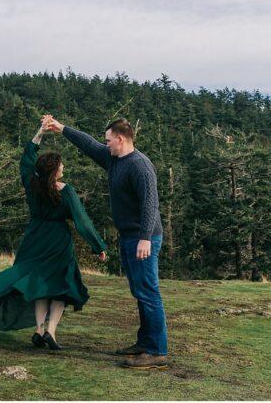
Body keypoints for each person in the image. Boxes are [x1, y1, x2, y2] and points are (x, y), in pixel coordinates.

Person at [44, 115, 168, 369]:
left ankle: (157, 350)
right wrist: (62, 128)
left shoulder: (140, 166)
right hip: (129, 236)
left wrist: (145, 238)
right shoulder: (114, 160)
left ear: (120, 139)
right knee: (139, 291)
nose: (106, 144)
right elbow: (89, 145)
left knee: (148, 292)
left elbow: (150, 205)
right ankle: (145, 343)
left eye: (109, 140)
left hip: (143, 237)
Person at [0, 121, 107, 350]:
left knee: (39, 284)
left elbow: (26, 158)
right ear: (55, 171)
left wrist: (40, 132)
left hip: (35, 238)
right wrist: (98, 246)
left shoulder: (32, 184)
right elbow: (82, 221)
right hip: (58, 242)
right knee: (60, 286)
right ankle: (50, 332)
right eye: (61, 164)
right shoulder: (66, 191)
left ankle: (38, 329)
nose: (64, 166)